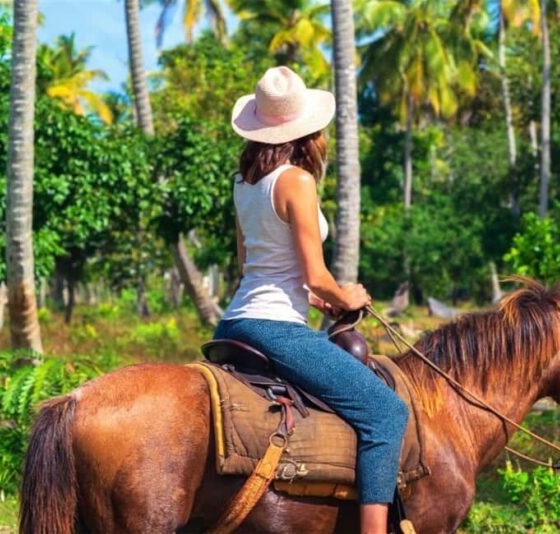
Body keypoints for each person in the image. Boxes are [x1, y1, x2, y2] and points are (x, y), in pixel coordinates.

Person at [213, 66, 409, 534]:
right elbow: (318, 276)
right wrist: (346, 295)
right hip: (276, 328)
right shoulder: (297, 182)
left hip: (234, 323)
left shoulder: (243, 184)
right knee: (386, 411)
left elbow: (254, 264)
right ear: (306, 132)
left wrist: (313, 296)